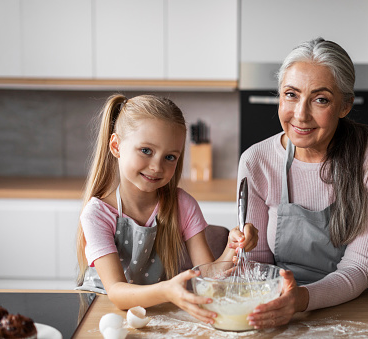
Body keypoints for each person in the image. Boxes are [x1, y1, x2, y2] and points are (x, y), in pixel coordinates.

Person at [238, 38, 368, 328]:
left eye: (320, 99)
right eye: (291, 95)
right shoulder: (257, 161)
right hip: (283, 307)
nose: (300, 114)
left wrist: (301, 299)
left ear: (345, 105)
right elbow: (258, 262)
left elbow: (359, 268)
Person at [75, 94, 257, 325]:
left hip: (150, 312)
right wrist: (167, 291)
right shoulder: (98, 215)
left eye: (170, 157)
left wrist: (234, 246)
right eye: (146, 151)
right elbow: (117, 293)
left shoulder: (182, 205)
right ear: (116, 146)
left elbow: (209, 275)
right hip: (101, 314)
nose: (157, 166)